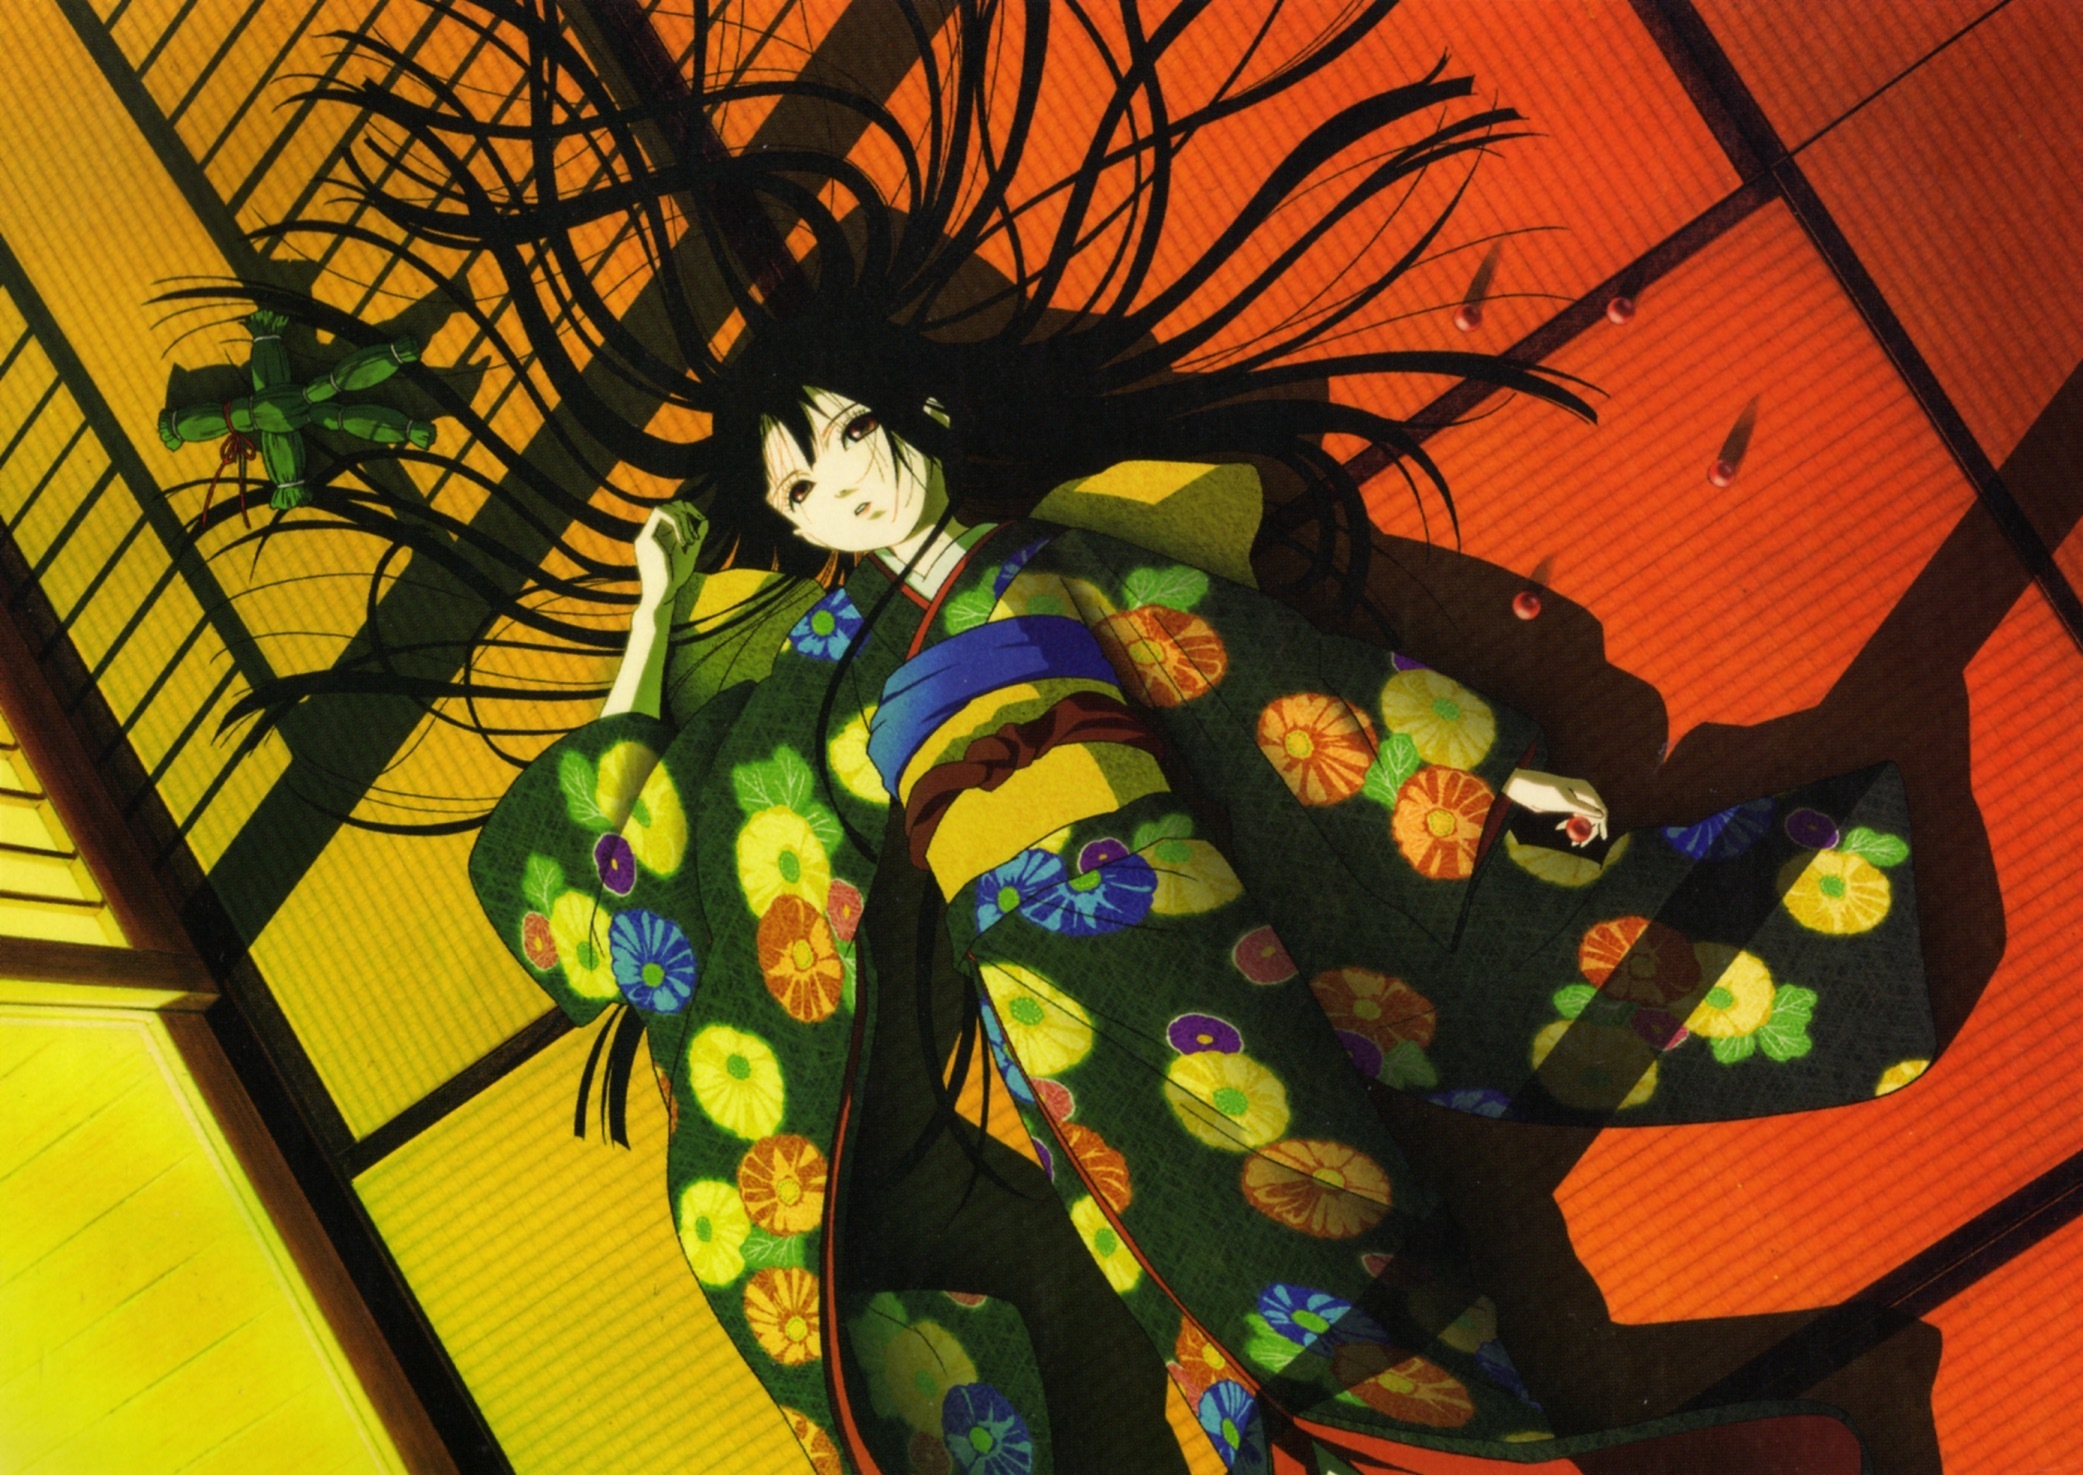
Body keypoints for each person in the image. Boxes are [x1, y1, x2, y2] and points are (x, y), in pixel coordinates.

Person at [222, 4, 1938, 1469]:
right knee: (1211, 1332)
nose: (836, 490)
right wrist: (654, 618)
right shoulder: (821, 681)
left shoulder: (1058, 561)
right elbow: (628, 862)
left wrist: (1497, 781)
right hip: (1052, 1039)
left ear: (919, 417)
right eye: (799, 486)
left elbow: (1277, 696)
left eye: (846, 442)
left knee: (1332, 1257)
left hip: (1201, 950)